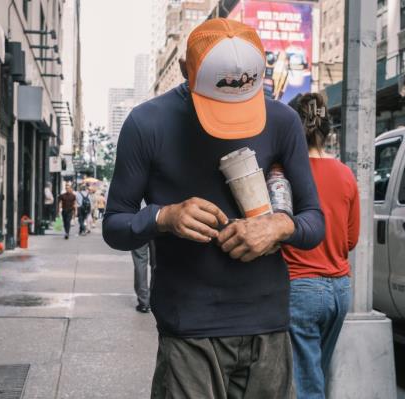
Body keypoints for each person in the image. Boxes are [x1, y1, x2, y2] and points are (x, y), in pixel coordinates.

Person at [103, 19, 324, 398]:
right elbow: (114, 225)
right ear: (187, 70)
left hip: (268, 328)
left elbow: (314, 221)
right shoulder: (146, 123)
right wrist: (163, 217)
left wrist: (279, 227)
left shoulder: (283, 122)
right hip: (188, 329)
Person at [284, 92, 360, 398]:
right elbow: (351, 240)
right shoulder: (345, 174)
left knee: (304, 384)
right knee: (316, 373)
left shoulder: (286, 174)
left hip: (300, 288)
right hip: (339, 291)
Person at [131, 243, 151, 313]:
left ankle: (144, 303)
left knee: (140, 260)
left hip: (140, 232)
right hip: (162, 233)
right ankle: (156, 298)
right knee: (157, 262)